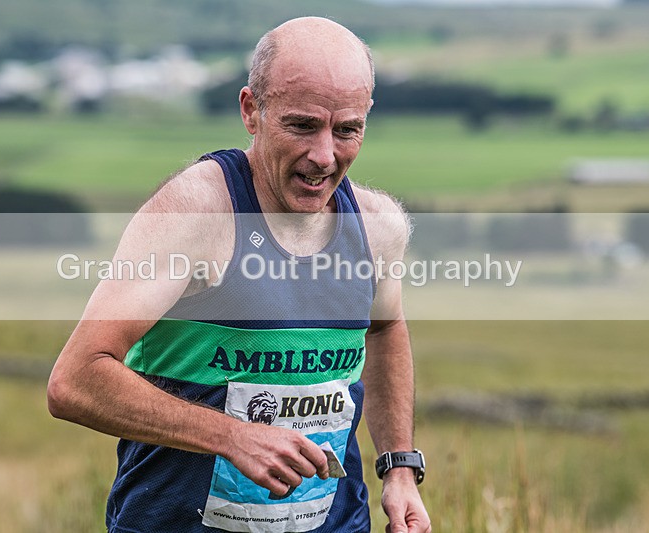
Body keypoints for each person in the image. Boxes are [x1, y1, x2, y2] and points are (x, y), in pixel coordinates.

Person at [48, 16, 431, 533]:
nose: (324, 155)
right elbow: (76, 381)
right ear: (252, 110)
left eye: (347, 130)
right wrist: (234, 436)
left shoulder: (377, 227)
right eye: (301, 125)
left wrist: (399, 467)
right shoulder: (197, 212)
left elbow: (385, 330)